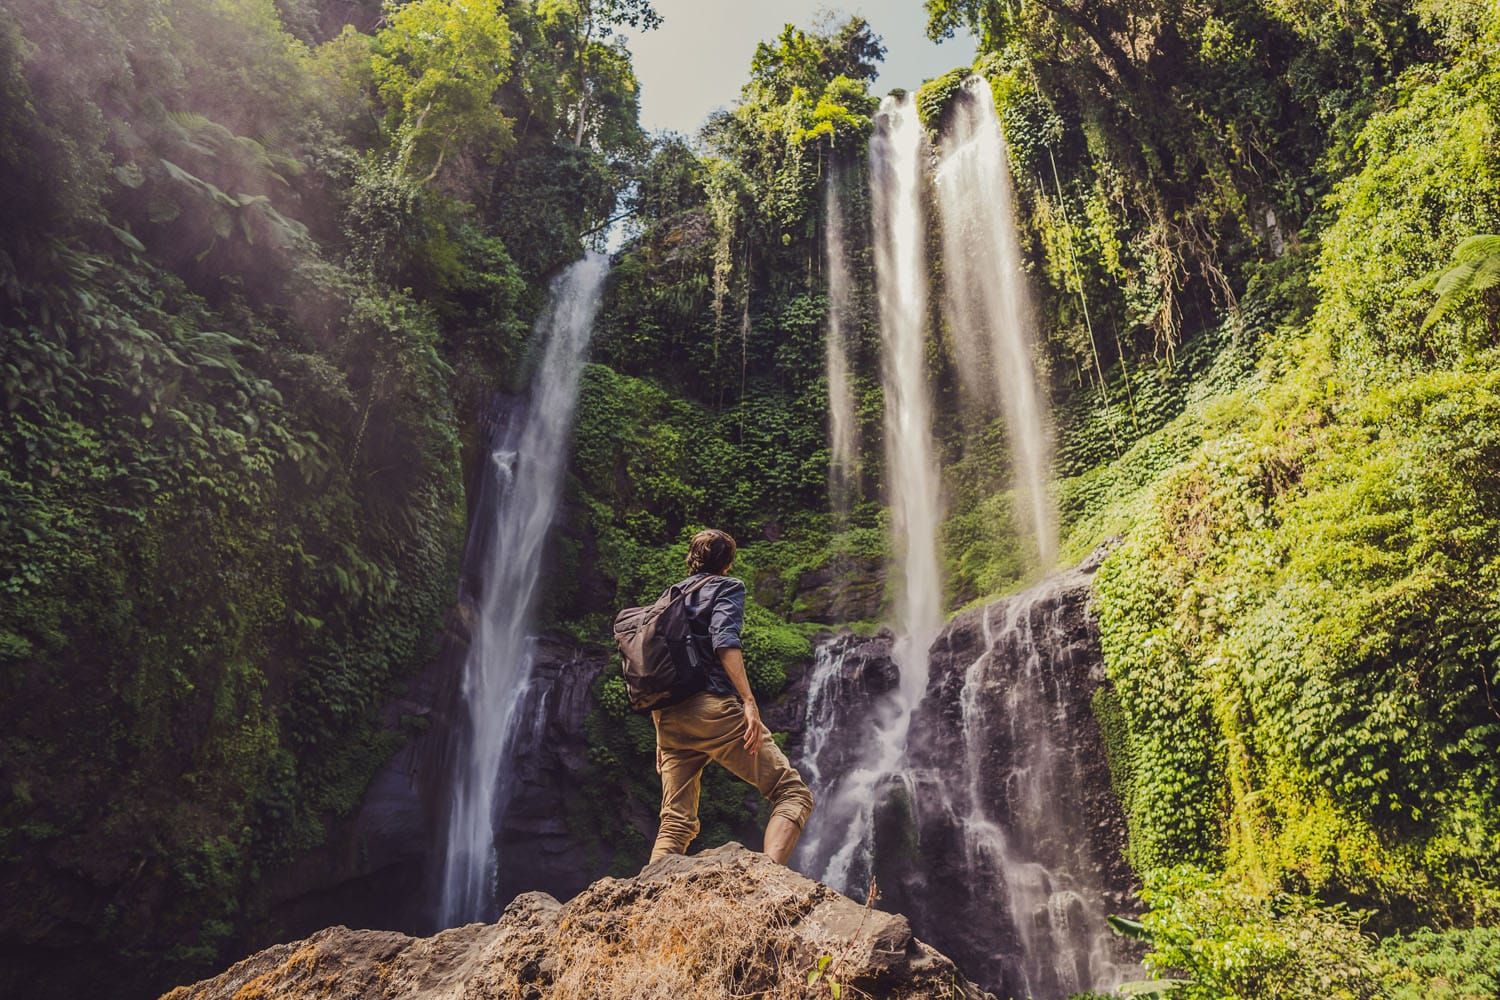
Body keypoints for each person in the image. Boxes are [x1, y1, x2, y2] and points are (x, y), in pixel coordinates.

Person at [649, 528, 814, 866]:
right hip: (712, 711)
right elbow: (724, 639)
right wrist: (749, 702)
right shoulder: (728, 587)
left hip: (669, 718)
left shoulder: (670, 596)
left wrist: (660, 735)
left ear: (692, 559)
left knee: (675, 822)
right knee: (792, 792)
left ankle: (642, 903)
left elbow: (655, 664)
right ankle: (770, 885)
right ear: (727, 563)